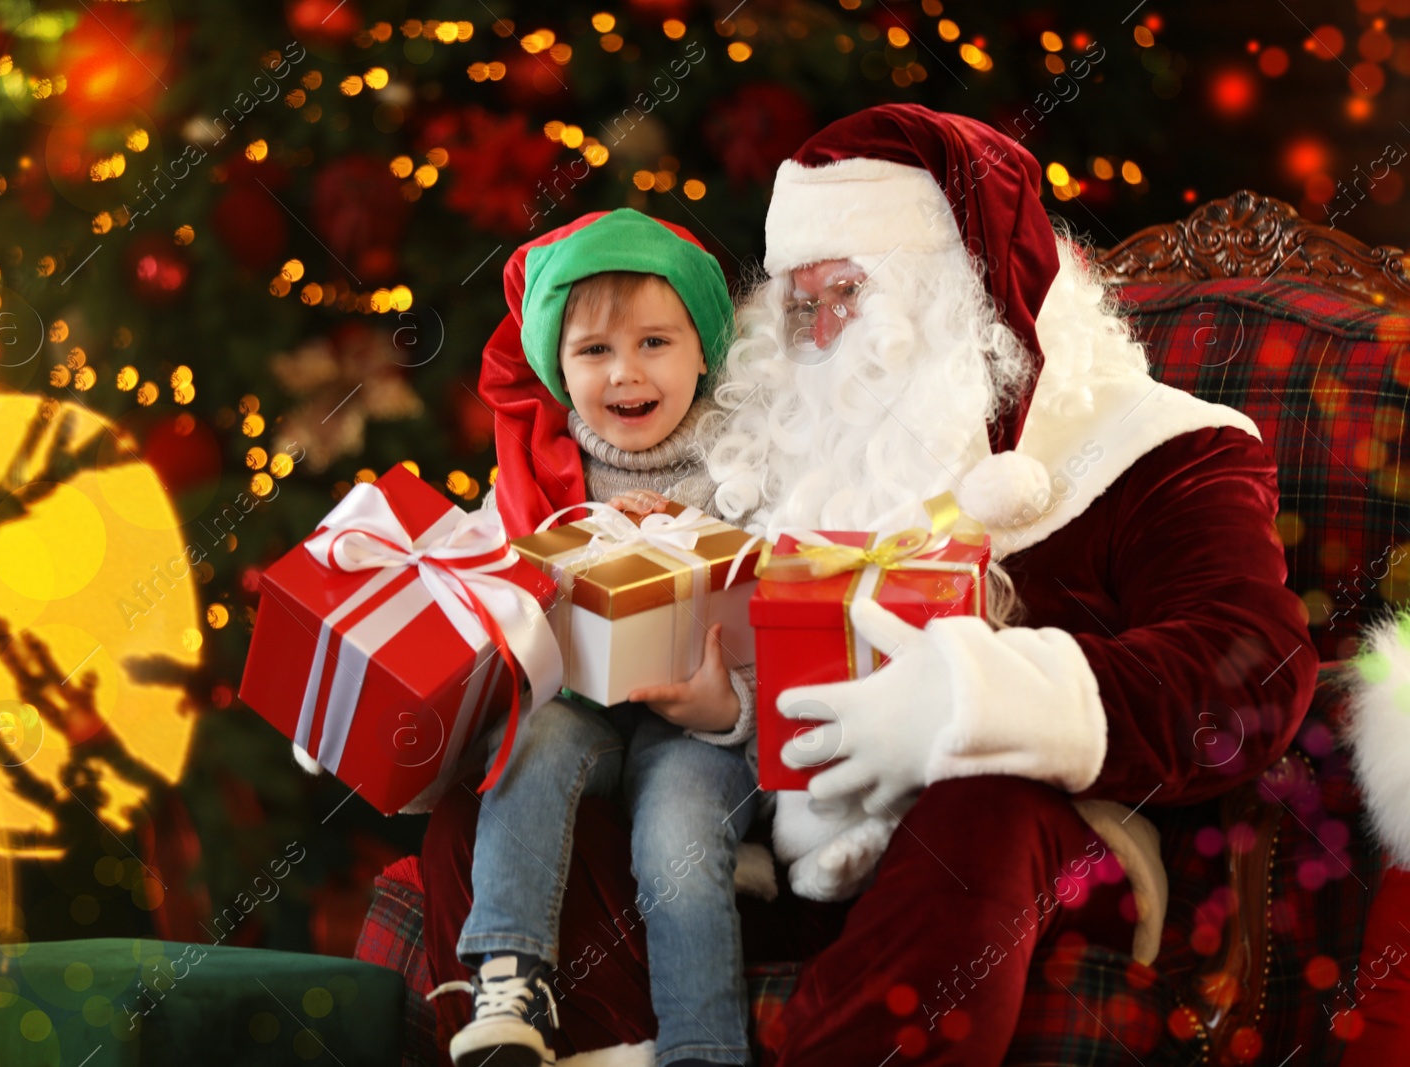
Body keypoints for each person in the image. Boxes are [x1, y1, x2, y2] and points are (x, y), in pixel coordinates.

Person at [422, 105, 1318, 1066]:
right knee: (497, 784)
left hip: (997, 867)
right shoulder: (755, 449)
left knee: (982, 807)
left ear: (954, 287)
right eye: (796, 304)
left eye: (846, 291)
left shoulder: (1150, 444)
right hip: (762, 842)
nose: (819, 333)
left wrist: (976, 697)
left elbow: (1252, 670)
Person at [428, 208, 761, 1067]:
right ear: (557, 364)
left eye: (655, 342)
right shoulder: (537, 466)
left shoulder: (751, 464)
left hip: (697, 718)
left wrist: (727, 705)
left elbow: (790, 621)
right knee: (527, 742)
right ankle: (508, 979)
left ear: (702, 350)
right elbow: (475, 578)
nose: (625, 373)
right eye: (594, 352)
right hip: (579, 704)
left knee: (678, 832)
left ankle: (704, 1045)